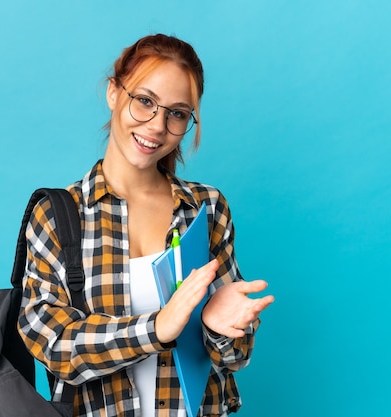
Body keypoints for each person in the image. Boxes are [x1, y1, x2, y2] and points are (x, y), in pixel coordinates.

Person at [18, 34, 274, 417]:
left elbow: (233, 357)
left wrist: (220, 328)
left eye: (177, 112)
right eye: (145, 101)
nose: (157, 126)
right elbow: (54, 345)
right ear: (113, 93)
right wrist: (157, 328)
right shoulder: (58, 214)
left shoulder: (205, 209)